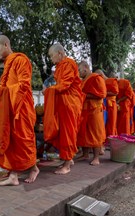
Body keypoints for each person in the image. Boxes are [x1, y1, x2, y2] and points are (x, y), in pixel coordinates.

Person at [0, 35, 39, 186]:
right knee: (12, 142)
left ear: (5, 44)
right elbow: (7, 88)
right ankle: (15, 175)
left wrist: (2, 92)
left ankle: (30, 170)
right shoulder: (7, 64)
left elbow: (23, 86)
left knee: (23, 141)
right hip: (11, 107)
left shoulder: (20, 60)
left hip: (21, 108)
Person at [43, 43, 82, 174]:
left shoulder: (68, 63)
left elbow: (65, 84)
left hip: (70, 103)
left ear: (59, 53)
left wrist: (49, 90)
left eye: (51, 55)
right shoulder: (61, 66)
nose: (51, 59)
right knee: (64, 132)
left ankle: (67, 165)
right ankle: (68, 159)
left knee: (68, 133)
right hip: (64, 103)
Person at [76, 64, 107, 165]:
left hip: (95, 110)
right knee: (83, 133)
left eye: (80, 70)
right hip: (84, 110)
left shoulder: (96, 78)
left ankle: (96, 158)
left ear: (86, 68)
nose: (79, 72)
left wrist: (83, 95)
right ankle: (85, 154)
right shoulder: (83, 80)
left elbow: (102, 94)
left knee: (95, 133)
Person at [101, 72, 119, 137]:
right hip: (111, 103)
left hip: (105, 102)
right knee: (112, 121)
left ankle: (106, 137)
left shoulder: (103, 81)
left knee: (105, 121)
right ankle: (111, 137)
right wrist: (104, 93)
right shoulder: (112, 81)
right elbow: (116, 92)